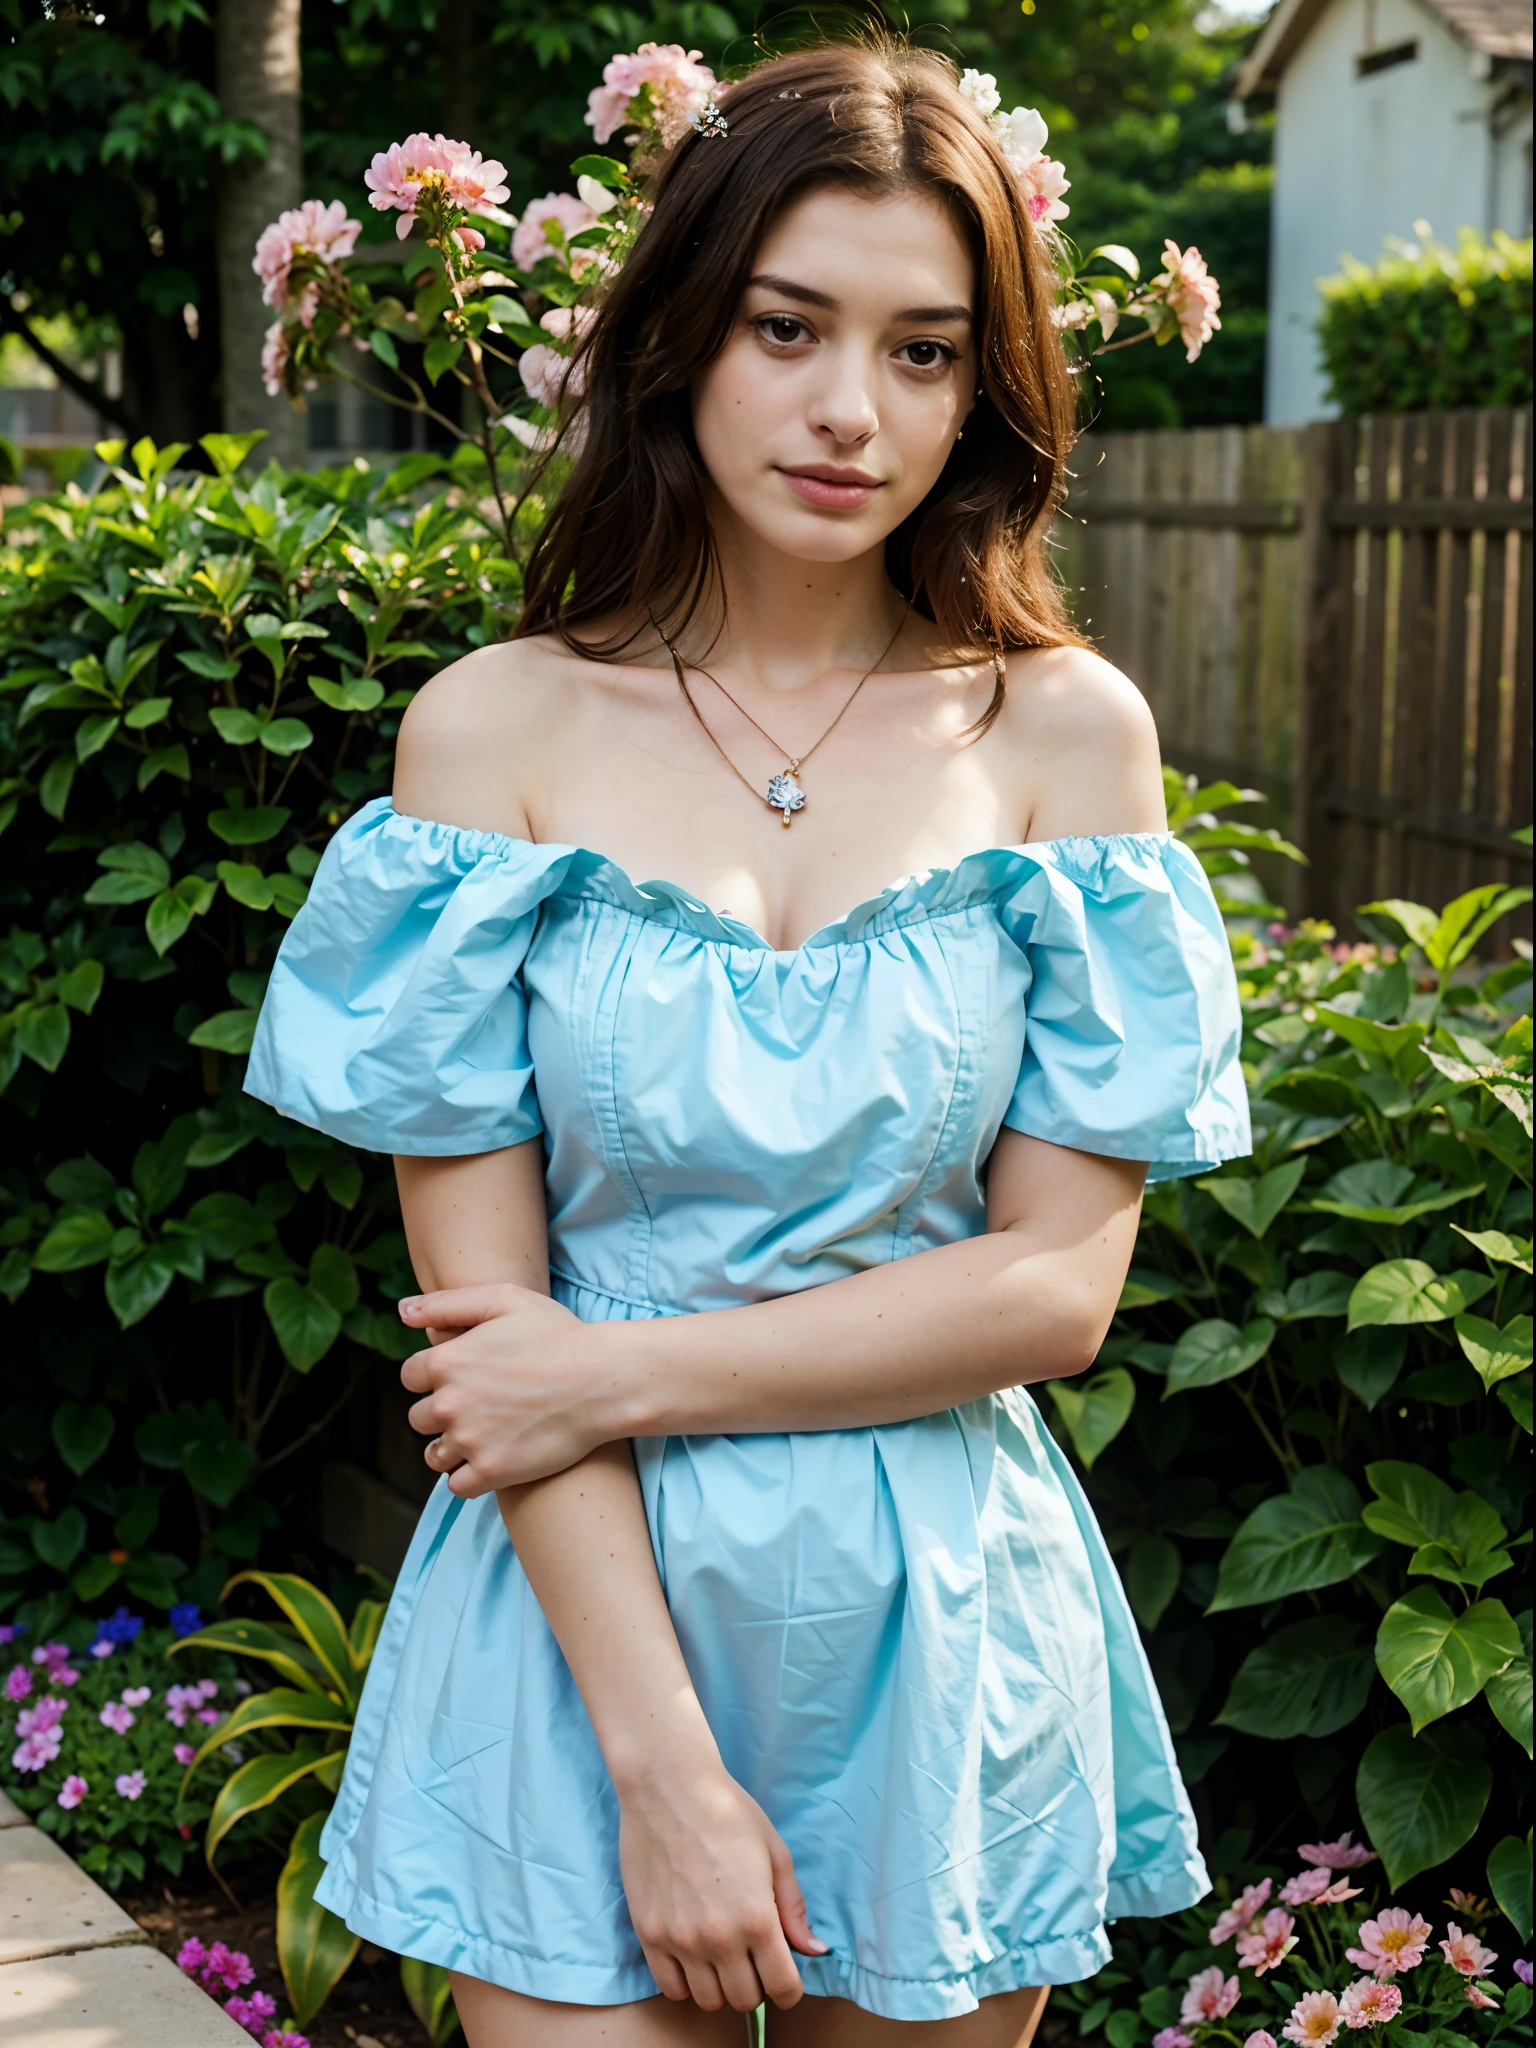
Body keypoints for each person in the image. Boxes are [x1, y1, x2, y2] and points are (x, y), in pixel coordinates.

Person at [244, 35, 1250, 2048]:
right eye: (791, 326)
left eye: (926, 350)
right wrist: (668, 1775)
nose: (849, 411)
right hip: (575, 1622)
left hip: (939, 1620)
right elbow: (482, 1326)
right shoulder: (492, 734)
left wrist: (604, 1370)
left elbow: (1056, 1291)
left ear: (988, 389)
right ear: (686, 336)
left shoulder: (1068, 739)